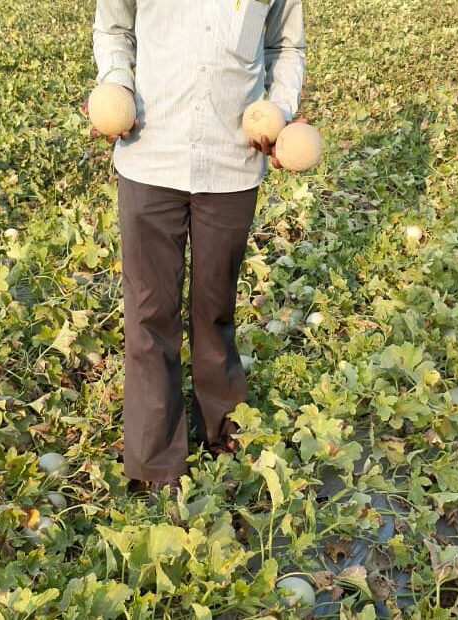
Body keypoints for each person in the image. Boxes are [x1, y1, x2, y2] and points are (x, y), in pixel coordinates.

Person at [89, 1, 306, 501]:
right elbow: (115, 28)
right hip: (150, 156)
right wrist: (117, 84)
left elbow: (286, 45)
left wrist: (280, 109)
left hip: (232, 163)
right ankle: (155, 460)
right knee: (150, 313)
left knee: (215, 308)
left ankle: (224, 431)